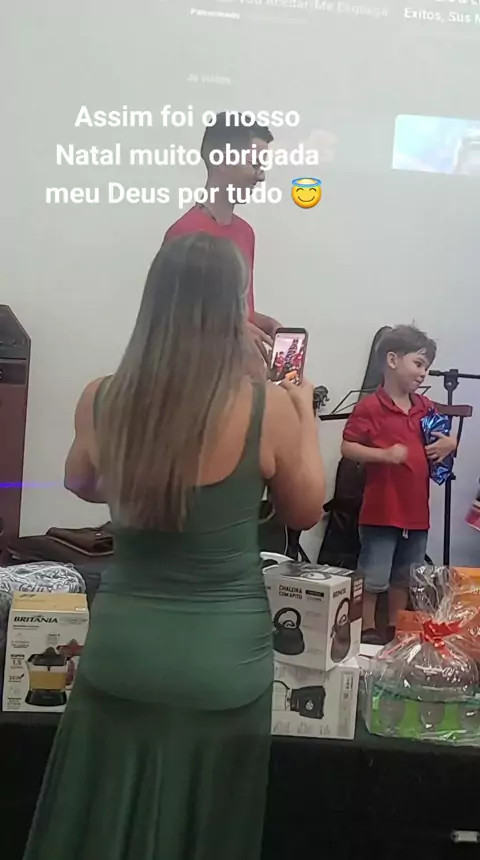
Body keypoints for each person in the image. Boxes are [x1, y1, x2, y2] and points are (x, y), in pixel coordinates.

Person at [23, 233, 325, 860]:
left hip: (121, 654)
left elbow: (82, 483)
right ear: (235, 309)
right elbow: (305, 511)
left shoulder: (102, 397)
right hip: (222, 665)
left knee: (102, 828)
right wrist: (303, 413)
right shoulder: (268, 408)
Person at [341, 325, 456, 645]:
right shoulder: (370, 407)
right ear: (392, 360)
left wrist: (451, 443)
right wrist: (384, 455)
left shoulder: (425, 407)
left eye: (426, 367)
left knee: (406, 574)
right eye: (418, 364)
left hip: (417, 510)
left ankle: (395, 625)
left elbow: (443, 440)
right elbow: (348, 447)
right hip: (382, 509)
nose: (423, 373)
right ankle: (367, 627)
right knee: (373, 572)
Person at [163, 111, 281, 361]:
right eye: (255, 165)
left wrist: (264, 324)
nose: (261, 176)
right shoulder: (185, 234)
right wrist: (234, 331)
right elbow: (174, 325)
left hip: (238, 372)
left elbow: (230, 312)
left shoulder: (245, 232)